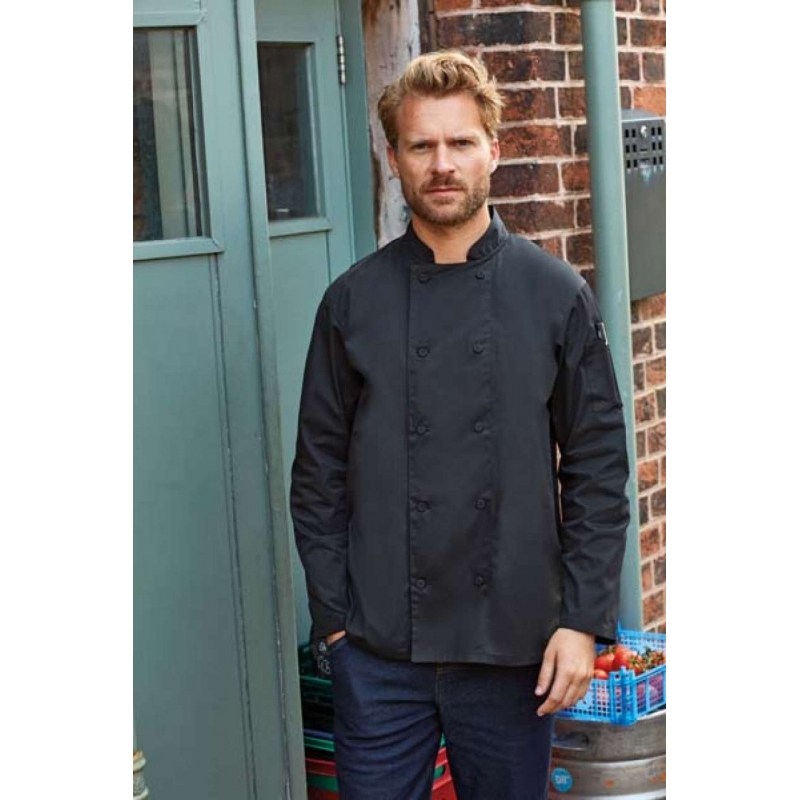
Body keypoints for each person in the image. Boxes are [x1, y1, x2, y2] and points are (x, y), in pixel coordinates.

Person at [291, 50, 629, 800]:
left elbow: (598, 471)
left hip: (514, 645)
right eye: (421, 145)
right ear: (394, 160)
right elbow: (317, 476)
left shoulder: (555, 295)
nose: (442, 164)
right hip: (379, 649)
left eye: (460, 142)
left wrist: (581, 621)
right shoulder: (351, 303)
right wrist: (336, 623)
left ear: (494, 151)